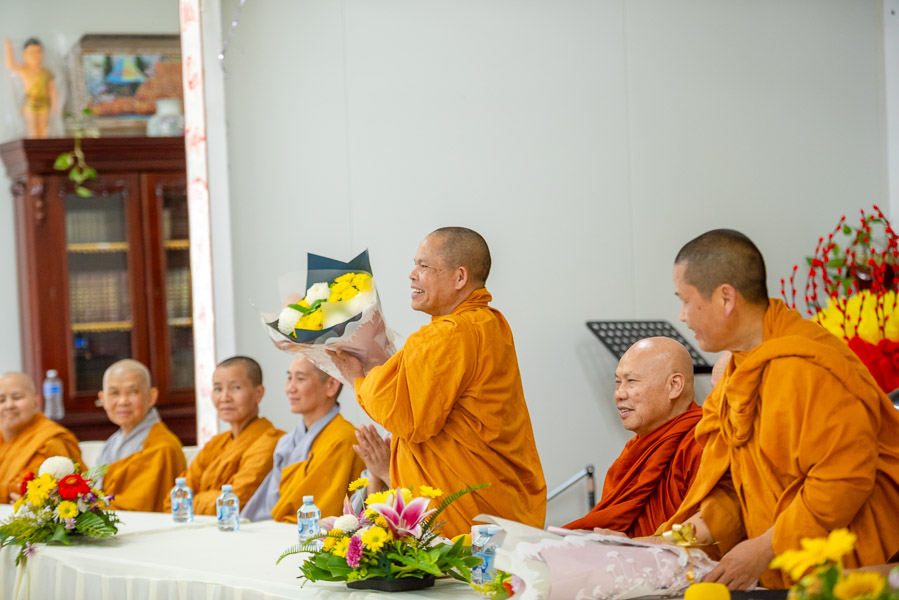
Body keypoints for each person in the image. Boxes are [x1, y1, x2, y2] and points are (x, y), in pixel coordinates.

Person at [663, 228, 899, 589]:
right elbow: (737, 486)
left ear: (726, 298)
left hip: (846, 570)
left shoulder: (808, 365)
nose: (682, 315)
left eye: (685, 300)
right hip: (782, 567)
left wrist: (766, 547)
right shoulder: (737, 373)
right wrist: (677, 542)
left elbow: (844, 479)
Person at [332, 227, 547, 538]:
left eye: (424, 266)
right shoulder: (492, 323)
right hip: (499, 503)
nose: (412, 275)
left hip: (468, 519)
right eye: (415, 265)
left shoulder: (448, 334)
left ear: (460, 277)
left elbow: (407, 417)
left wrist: (356, 377)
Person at [564, 337, 702, 537]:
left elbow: (710, 534)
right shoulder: (634, 453)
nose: (619, 394)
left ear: (674, 385)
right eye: (618, 383)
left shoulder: (703, 443)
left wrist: (640, 546)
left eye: (631, 381)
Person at [242, 356, 364, 522]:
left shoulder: (344, 439)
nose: (290, 388)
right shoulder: (287, 442)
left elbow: (321, 513)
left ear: (331, 385)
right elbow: (269, 504)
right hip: (277, 528)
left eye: (300, 379)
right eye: (289, 378)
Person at [163, 356, 284, 515]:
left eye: (235, 388)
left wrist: (193, 501)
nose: (224, 398)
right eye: (218, 389)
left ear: (258, 393)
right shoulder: (216, 443)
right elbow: (173, 500)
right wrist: (210, 499)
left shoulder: (271, 442)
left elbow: (234, 502)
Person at [95, 359, 186, 512]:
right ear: (103, 399)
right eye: (114, 393)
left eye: (132, 392)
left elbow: (138, 506)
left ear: (151, 396)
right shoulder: (111, 443)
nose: (123, 401)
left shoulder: (163, 447)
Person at [0, 372, 82, 503]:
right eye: (1, 400)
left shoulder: (50, 440)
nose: (9, 405)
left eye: (17, 397)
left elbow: (25, 489)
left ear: (36, 402)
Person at [4, 37, 57, 138]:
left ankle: (43, 146)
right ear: (24, 54)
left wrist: (56, 107)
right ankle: (34, 146)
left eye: (38, 52)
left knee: (43, 129)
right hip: (30, 104)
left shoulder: (47, 72)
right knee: (32, 129)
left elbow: (52, 90)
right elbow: (10, 65)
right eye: (31, 52)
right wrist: (8, 47)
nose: (35, 55)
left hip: (45, 105)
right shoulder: (24, 70)